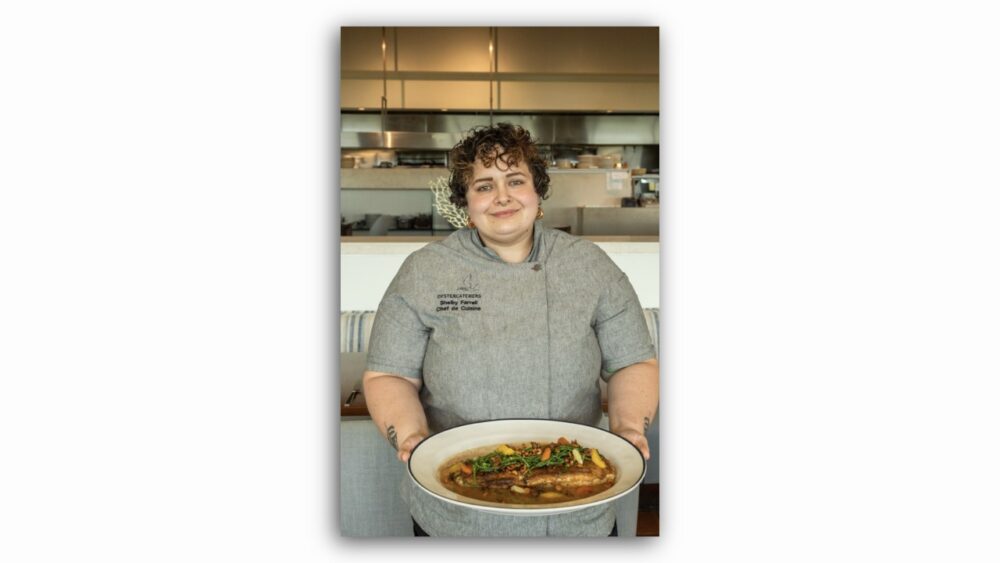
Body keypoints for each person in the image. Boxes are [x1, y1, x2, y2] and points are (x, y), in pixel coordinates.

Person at [361, 122, 659, 537]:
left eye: (515, 180)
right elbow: (389, 373)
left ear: (537, 193)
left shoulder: (591, 267)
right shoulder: (424, 271)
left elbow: (633, 363)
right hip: (453, 507)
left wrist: (628, 429)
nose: (501, 196)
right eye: (483, 186)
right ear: (466, 203)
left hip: (575, 508)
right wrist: (412, 438)